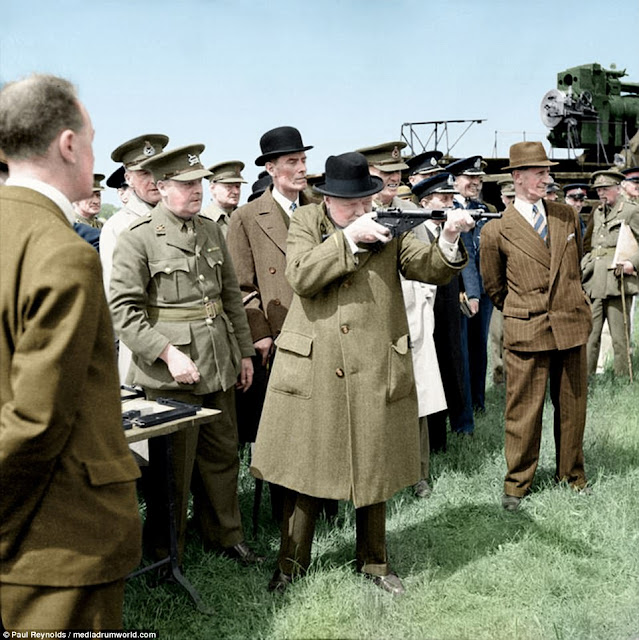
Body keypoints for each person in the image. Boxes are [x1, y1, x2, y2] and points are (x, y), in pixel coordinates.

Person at [252, 151, 473, 595]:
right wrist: (349, 239)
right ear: (328, 199)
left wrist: (447, 237)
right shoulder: (306, 222)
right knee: (305, 470)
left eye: (365, 201)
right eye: (350, 204)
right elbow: (301, 276)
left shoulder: (388, 225)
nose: (361, 210)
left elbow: (427, 267)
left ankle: (375, 562)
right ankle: (291, 564)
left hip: (375, 362)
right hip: (315, 363)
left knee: (375, 467)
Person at [0, 73, 141, 631]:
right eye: (91, 136)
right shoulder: (61, 250)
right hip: (57, 544)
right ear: (68, 144)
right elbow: (37, 422)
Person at [109, 144, 261, 566]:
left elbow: (231, 296)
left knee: (221, 457)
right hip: (170, 375)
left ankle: (225, 536)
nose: (197, 190)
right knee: (171, 473)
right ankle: (164, 554)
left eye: (199, 183)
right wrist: (167, 353)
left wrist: (244, 353)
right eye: (187, 184)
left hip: (218, 362)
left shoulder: (211, 230)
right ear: (160, 187)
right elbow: (123, 311)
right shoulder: (136, 238)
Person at [480, 141, 592, 511]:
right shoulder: (497, 230)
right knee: (523, 410)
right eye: (539, 173)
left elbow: (576, 264)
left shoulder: (565, 216)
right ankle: (517, 485)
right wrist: (525, 311)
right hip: (527, 331)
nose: (547, 178)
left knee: (573, 407)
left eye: (547, 172)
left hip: (570, 326)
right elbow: (496, 288)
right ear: (517, 178)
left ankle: (572, 475)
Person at [226, 126, 318, 520]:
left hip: (324, 332)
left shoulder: (321, 208)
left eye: (303, 161)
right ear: (270, 168)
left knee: (321, 424)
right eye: (292, 163)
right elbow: (241, 287)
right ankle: (287, 512)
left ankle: (325, 501)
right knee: (283, 430)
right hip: (279, 342)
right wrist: (260, 335)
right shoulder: (247, 217)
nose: (301, 170)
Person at [100, 133, 169, 382]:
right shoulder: (118, 227)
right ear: (128, 178)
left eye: (158, 169)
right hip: (145, 352)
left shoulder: (186, 219)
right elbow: (118, 303)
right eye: (143, 174)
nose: (153, 180)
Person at [408, 172, 459, 480]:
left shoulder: (429, 227)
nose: (448, 203)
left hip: (428, 312)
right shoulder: (413, 225)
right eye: (444, 198)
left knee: (430, 384)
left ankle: (423, 470)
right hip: (410, 313)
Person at [447, 155, 494, 426]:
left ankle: (478, 402)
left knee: (479, 349)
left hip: (483, 290)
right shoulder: (447, 207)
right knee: (460, 352)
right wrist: (471, 292)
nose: (474, 183)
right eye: (469, 179)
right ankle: (462, 409)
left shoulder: (484, 208)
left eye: (478, 179)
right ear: (455, 180)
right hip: (459, 291)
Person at [581, 170, 639, 376]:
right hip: (594, 281)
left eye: (605, 189)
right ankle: (585, 383)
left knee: (620, 338)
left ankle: (624, 381)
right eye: (598, 190)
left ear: (618, 188)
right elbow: (588, 243)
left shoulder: (631, 211)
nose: (601, 193)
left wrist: (633, 263)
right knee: (590, 336)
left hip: (618, 281)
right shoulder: (597, 212)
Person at [356, 140, 416, 209]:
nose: (396, 178)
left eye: (398, 171)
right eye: (387, 172)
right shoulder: (355, 211)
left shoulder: (410, 209)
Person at [200, 160, 246, 236]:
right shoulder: (201, 220)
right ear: (212, 188)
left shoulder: (246, 216)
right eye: (229, 187)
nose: (236, 192)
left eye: (238, 186)